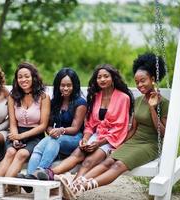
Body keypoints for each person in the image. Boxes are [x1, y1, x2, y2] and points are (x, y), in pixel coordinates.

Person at [61, 53, 169, 200]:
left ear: (153, 79)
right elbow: (132, 129)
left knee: (117, 166)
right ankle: (76, 185)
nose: (140, 85)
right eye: (137, 82)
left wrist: (152, 108)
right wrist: (118, 145)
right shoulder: (138, 100)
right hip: (133, 141)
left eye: (143, 81)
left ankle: (81, 187)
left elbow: (163, 133)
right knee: (108, 161)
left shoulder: (163, 103)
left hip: (150, 144)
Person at [37, 64, 134, 181]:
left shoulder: (123, 98)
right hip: (96, 136)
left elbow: (120, 127)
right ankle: (49, 173)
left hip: (112, 140)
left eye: (106, 76)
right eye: (99, 77)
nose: (102, 79)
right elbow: (90, 124)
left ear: (113, 78)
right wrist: (86, 139)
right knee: (77, 154)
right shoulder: (96, 96)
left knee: (88, 161)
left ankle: (73, 188)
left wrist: (98, 143)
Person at [26, 68, 87, 179]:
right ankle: (29, 177)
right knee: (38, 148)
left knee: (55, 140)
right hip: (56, 137)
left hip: (74, 138)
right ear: (58, 86)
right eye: (62, 85)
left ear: (75, 85)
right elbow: (48, 125)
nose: (65, 88)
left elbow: (75, 129)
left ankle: (40, 171)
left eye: (69, 85)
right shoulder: (55, 102)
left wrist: (60, 130)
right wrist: (51, 131)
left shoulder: (80, 103)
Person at [0, 62, 50, 178]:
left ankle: (4, 186)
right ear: (16, 80)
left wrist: (21, 136)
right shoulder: (12, 96)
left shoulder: (43, 97)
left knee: (21, 154)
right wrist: (15, 137)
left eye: (26, 76)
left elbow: (43, 126)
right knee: (10, 152)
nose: (23, 79)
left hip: (35, 135)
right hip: (17, 133)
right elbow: (13, 123)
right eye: (20, 77)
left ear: (33, 77)